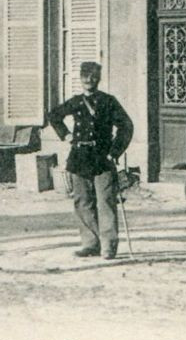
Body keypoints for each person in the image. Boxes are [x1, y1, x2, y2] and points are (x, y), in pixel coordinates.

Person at [45, 61, 134, 259]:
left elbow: (126, 126)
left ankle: (108, 246)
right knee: (82, 201)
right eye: (85, 75)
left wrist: (114, 152)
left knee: (105, 201)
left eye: (93, 76)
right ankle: (90, 243)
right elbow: (53, 115)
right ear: (80, 78)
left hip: (102, 158)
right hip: (79, 157)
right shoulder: (76, 102)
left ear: (98, 78)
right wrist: (66, 135)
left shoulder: (109, 102)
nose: (89, 80)